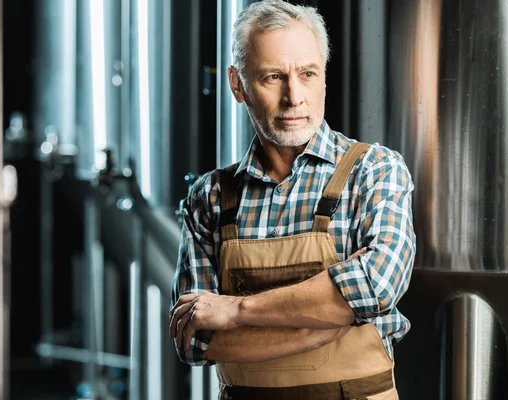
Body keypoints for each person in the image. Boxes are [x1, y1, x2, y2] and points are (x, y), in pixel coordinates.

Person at [169, 1, 415, 398]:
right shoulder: (211, 197)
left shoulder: (373, 170)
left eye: (307, 74)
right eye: (273, 77)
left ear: (323, 78)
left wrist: (236, 310)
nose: (293, 97)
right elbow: (195, 339)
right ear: (237, 84)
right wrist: (326, 315)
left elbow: (375, 287)